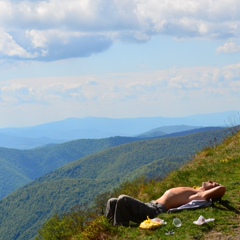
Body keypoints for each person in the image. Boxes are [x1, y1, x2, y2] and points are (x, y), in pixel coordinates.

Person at [106, 181, 226, 226]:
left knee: (123, 199)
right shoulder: (196, 189)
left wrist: (217, 188)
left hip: (155, 211)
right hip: (150, 205)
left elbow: (222, 189)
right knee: (112, 202)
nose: (212, 181)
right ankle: (110, 230)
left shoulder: (200, 195)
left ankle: (120, 229)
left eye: (214, 183)